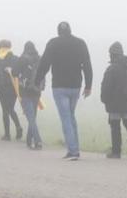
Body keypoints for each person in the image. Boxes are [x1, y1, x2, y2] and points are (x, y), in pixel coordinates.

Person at [36, 21, 92, 160]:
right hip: (75, 86)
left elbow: (44, 64)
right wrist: (88, 85)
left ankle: (73, 151)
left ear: (58, 31)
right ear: (70, 30)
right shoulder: (80, 43)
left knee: (66, 118)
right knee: (71, 116)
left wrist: (37, 80)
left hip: (59, 86)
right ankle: (74, 148)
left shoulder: (53, 43)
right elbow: (87, 64)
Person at [99, 41, 127, 159]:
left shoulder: (111, 69)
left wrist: (104, 99)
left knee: (115, 127)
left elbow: (106, 87)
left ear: (112, 55)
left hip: (114, 104)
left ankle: (116, 152)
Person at [14, 41, 44, 150]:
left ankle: (38, 141)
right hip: (36, 91)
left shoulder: (22, 59)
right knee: (32, 116)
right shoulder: (39, 58)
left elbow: (14, 73)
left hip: (25, 91)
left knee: (30, 118)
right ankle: (28, 140)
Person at [0, 39, 23, 141]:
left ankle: (7, 134)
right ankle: (18, 127)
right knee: (10, 108)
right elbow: (20, 71)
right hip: (14, 87)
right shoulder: (16, 58)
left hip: (2, 87)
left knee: (5, 110)